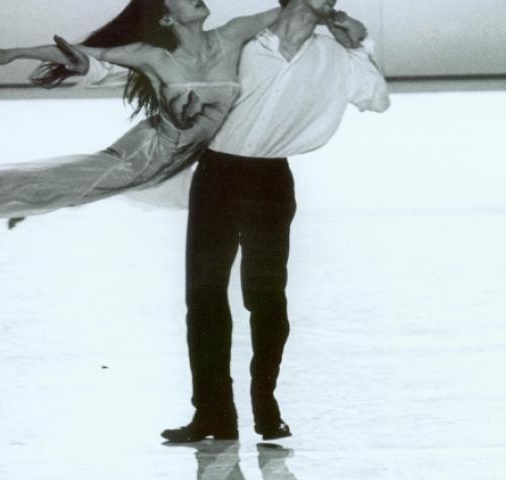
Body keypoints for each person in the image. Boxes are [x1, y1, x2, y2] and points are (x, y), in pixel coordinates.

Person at [0, 0, 360, 241]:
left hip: (185, 159)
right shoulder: (153, 56)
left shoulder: (232, 35)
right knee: (39, 184)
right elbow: (84, 52)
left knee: (56, 191)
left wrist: (342, 22)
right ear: (166, 18)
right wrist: (18, 52)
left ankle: (39, 202)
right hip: (144, 155)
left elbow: (296, 9)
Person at [154, 0, 391, 443]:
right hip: (217, 176)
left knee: (266, 300)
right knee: (204, 297)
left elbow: (377, 99)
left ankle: (266, 404)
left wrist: (359, 47)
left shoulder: (334, 53)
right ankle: (213, 414)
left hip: (270, 182)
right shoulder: (242, 42)